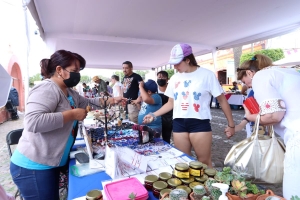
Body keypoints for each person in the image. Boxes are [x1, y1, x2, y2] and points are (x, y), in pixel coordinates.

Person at [9, 50, 115, 199]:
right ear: (59, 70)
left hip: (49, 163)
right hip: (33, 166)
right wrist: (71, 115)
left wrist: (112, 100)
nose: (77, 75)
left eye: (79, 71)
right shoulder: (47, 88)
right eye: (74, 71)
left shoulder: (69, 92)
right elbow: (33, 121)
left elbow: (89, 102)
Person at [143, 44, 235, 167]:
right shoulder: (175, 78)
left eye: (177, 63)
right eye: (173, 63)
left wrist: (231, 125)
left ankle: (207, 186)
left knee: (204, 162)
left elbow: (222, 100)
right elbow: (171, 103)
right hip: (179, 123)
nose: (175, 67)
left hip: (199, 122)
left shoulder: (207, 75)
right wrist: (153, 115)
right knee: (183, 162)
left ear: (188, 60)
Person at [228, 54, 300, 199]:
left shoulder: (261, 76)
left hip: (297, 135)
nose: (247, 85)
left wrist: (251, 117)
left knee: (294, 192)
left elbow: (274, 115)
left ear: (250, 73)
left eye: (245, 81)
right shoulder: (289, 71)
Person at [157, 70, 173, 143]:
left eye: (163, 77)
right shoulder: (154, 89)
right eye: (159, 77)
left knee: (166, 137)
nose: (160, 79)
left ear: (167, 79)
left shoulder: (171, 89)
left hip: (168, 118)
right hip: (156, 115)